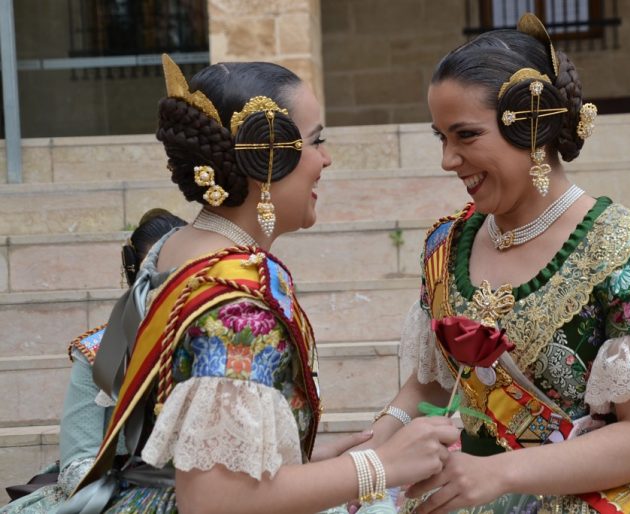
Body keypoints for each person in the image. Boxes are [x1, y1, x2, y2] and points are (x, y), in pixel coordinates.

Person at [362, 13, 630, 514]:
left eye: (465, 136)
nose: (448, 159)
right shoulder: (445, 245)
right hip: (469, 490)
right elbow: (426, 384)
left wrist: (497, 474)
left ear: (533, 127)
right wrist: (369, 456)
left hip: (601, 497)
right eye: (440, 137)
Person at [54, 55, 458, 514]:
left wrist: (306, 469)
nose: (325, 159)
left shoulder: (177, 249)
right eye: (316, 140)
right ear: (267, 157)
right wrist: (378, 465)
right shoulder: (235, 306)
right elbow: (213, 500)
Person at [1, 209, 187, 513]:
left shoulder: (216, 336)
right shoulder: (101, 350)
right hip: (115, 494)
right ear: (135, 276)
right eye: (156, 277)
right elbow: (77, 463)